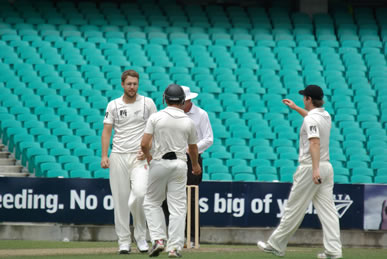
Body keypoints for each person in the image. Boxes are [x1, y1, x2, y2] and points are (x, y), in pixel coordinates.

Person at [257, 85, 343, 259]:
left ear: (308, 99)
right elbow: (311, 121)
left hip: (311, 167)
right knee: (329, 211)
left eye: (304, 97)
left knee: (293, 208)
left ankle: (276, 245)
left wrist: (315, 169)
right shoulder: (325, 115)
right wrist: (296, 108)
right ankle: (334, 251)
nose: (303, 99)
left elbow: (314, 143)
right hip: (327, 166)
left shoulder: (311, 120)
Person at [141, 84, 201, 258]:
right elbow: (194, 148)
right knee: (178, 208)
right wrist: (195, 166)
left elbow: (144, 144)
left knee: (152, 202)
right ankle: (174, 248)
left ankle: (159, 239)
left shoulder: (156, 117)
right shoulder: (188, 122)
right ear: (182, 101)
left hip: (159, 163)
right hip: (180, 165)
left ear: (164, 99)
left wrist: (148, 156)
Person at [101, 69, 157, 254]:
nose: (132, 87)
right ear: (122, 84)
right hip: (118, 157)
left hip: (139, 157)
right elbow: (107, 131)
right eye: (129, 84)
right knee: (120, 201)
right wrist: (104, 155)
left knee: (140, 195)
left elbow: (156, 129)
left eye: (135, 84)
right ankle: (123, 241)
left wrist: (148, 151)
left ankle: (141, 237)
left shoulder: (147, 103)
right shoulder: (114, 105)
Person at [161, 85, 213, 248]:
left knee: (190, 199)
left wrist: (191, 150)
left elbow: (208, 139)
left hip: (192, 159)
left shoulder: (201, 114)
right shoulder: (169, 114)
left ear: (189, 100)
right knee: (167, 198)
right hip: (170, 157)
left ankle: (191, 237)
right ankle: (172, 236)